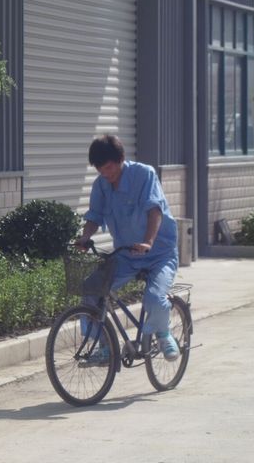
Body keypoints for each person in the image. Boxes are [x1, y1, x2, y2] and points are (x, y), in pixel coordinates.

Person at [76, 134, 180, 361]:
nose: (106, 174)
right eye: (100, 169)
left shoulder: (144, 175)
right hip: (127, 255)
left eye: (109, 168)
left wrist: (148, 242)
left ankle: (164, 334)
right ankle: (104, 347)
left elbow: (154, 210)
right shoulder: (101, 185)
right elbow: (94, 216)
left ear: (121, 159)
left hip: (159, 253)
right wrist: (85, 237)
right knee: (91, 290)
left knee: (154, 298)